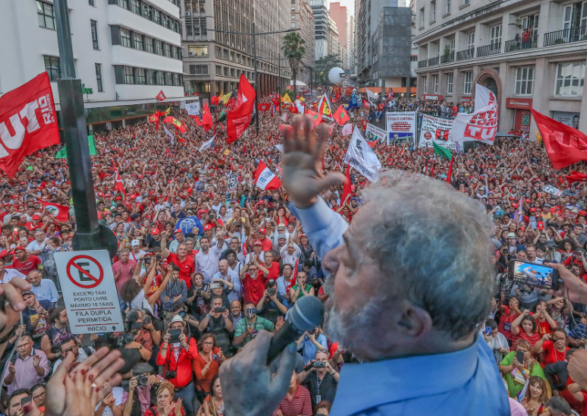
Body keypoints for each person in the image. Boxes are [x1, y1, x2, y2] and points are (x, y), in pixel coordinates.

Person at [218, 117, 510, 416]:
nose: (329, 260)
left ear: (408, 321)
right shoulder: (463, 345)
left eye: (351, 264)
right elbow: (379, 263)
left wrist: (242, 412)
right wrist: (309, 205)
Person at [156, 315, 198, 416]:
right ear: (169, 330)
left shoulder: (189, 340)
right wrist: (165, 343)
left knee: (190, 410)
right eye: (173, 328)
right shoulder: (167, 343)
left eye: (179, 327)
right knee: (171, 411)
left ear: (183, 328)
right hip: (171, 387)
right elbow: (160, 362)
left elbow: (194, 355)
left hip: (186, 387)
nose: (176, 329)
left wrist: (184, 343)